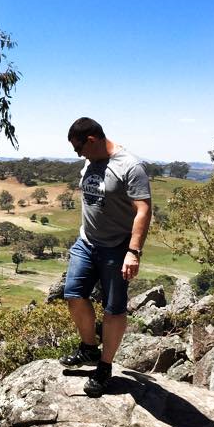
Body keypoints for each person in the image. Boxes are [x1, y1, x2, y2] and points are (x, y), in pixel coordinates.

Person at [59, 117, 152, 397]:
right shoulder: (90, 161)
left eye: (79, 148)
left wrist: (133, 252)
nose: (78, 155)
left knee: (114, 309)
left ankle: (104, 366)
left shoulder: (130, 166)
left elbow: (144, 210)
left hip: (117, 247)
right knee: (73, 294)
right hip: (86, 242)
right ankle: (89, 348)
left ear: (92, 140)